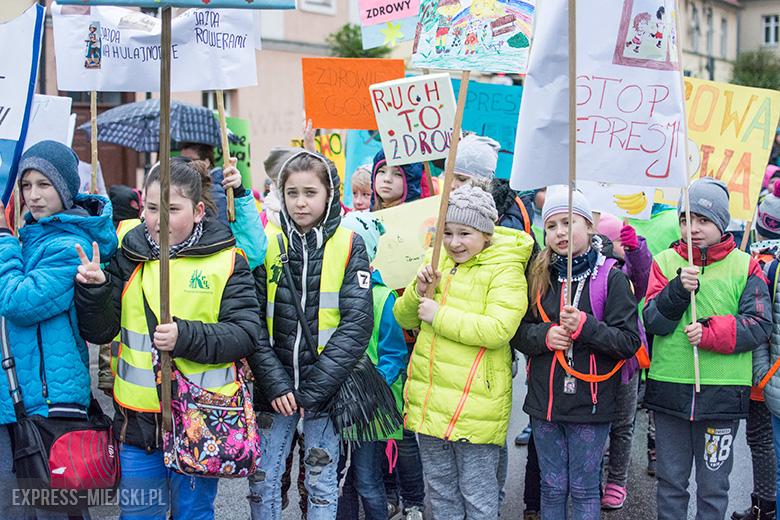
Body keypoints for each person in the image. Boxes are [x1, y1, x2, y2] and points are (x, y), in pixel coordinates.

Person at [73, 158, 262, 520]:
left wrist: (185, 335)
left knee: (194, 514)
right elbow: (99, 331)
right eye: (151, 207)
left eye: (172, 209)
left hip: (199, 418)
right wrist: (95, 292)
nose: (157, 220)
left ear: (198, 211)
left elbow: (245, 334)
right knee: (140, 515)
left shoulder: (227, 260)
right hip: (138, 422)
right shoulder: (127, 255)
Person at [244, 150, 373, 520]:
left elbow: (356, 325)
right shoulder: (264, 243)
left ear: (329, 195)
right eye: (292, 192)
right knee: (263, 479)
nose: (300, 202)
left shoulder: (350, 244)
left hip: (326, 392)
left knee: (320, 482)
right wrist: (277, 384)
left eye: (310, 192)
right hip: (274, 389)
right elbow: (251, 319)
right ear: (280, 193)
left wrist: (314, 390)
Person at [394, 184, 533, 520]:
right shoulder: (437, 259)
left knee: (478, 496)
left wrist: (438, 315)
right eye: (448, 232)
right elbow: (404, 316)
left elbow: (498, 329)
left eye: (464, 233)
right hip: (431, 401)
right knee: (440, 494)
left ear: (486, 233)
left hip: (475, 407)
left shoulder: (505, 268)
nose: (454, 242)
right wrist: (418, 292)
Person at [0, 141, 117, 518]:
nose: (33, 195)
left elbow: (19, 302)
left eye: (43, 184)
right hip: (19, 397)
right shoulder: (31, 238)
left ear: (65, 188)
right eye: (26, 185)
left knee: (52, 507)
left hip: (49, 402)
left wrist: (4, 243)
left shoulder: (71, 244)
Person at [643, 177, 772, 520]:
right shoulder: (664, 262)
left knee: (714, 487)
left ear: (721, 223)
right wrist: (675, 291)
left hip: (722, 397)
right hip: (670, 390)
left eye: (703, 220)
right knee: (671, 482)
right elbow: (652, 322)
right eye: (686, 219)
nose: (693, 228)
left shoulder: (746, 266)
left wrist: (712, 332)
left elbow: (759, 325)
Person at [512, 185, 641, 519]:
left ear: (589, 226)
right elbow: (518, 331)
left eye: (569, 223)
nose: (560, 232)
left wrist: (586, 327)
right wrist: (544, 336)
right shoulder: (538, 276)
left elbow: (629, 342)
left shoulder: (611, 278)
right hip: (545, 403)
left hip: (591, 404)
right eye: (552, 226)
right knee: (552, 486)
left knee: (584, 488)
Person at [336, 211, 407, 520]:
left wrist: (369, 390)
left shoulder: (383, 298)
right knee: (337, 478)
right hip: (336, 400)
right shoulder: (328, 292)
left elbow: (394, 354)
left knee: (366, 479)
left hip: (372, 406)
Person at [596, 213, 653, 510]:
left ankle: (617, 481)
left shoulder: (625, 273)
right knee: (593, 423)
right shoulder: (590, 268)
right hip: (593, 361)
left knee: (622, 425)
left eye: (621, 240)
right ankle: (592, 478)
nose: (618, 245)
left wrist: (635, 250)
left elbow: (642, 277)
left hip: (626, 365)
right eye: (615, 241)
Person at [732, 181, 780, 520]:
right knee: (761, 440)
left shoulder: (761, 262)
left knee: (762, 440)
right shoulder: (755, 259)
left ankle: (765, 506)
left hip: (760, 370)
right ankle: (764, 504)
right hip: (761, 370)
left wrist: (762, 373)